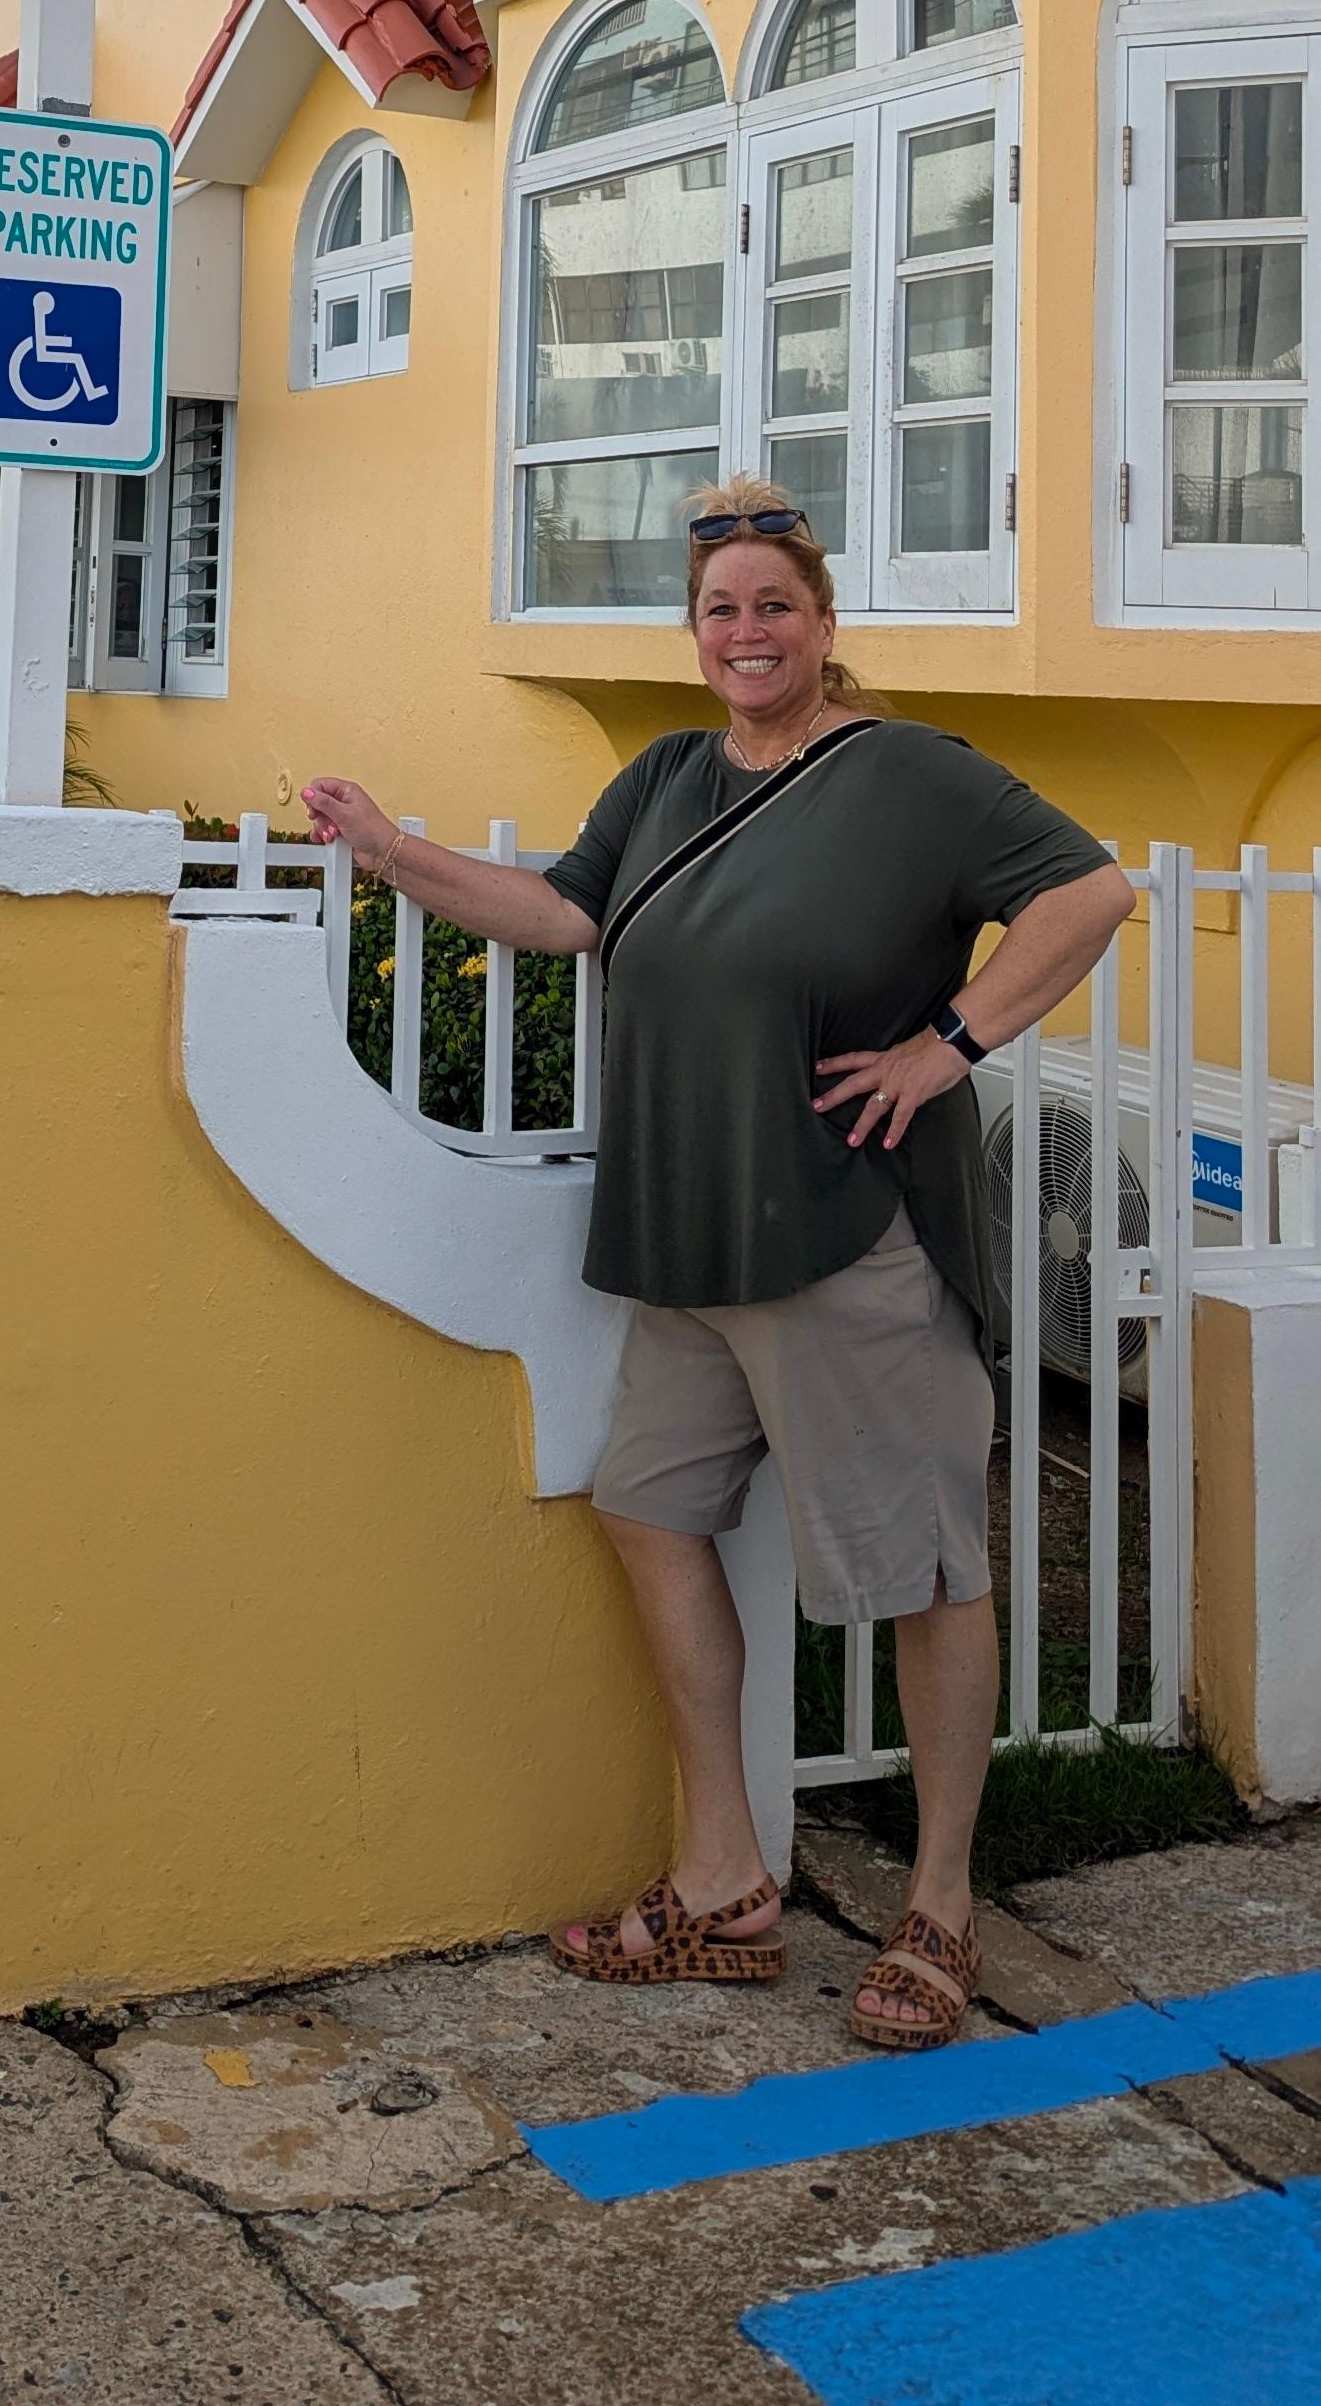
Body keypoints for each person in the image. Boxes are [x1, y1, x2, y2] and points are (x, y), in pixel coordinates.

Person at [304, 476, 1133, 2052]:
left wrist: (948, 1046)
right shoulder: (670, 776)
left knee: (926, 1573)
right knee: (646, 1509)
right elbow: (562, 914)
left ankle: (942, 1907)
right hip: (689, 1241)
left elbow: (1091, 892)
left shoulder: (909, 776)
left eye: (774, 606)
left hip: (844, 1234)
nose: (747, 632)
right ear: (695, 634)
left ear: (822, 623)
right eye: (720, 610)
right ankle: (726, 1880)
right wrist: (389, 847)